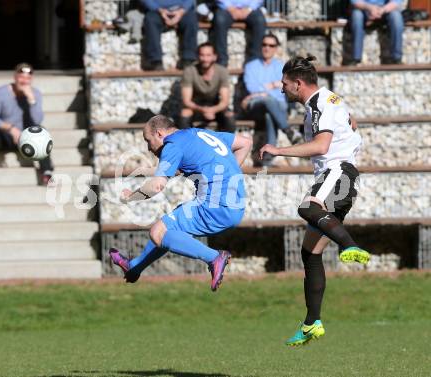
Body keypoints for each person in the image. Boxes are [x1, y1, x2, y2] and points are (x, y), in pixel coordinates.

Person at [259, 56, 371, 346]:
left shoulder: (320, 103)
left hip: (337, 174)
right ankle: (311, 323)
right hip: (341, 177)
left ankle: (350, 245)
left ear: (298, 83)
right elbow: (352, 123)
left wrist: (278, 149)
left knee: (308, 207)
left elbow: (322, 146)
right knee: (309, 253)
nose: (282, 89)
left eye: (285, 84)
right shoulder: (328, 99)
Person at [109, 115, 252, 291]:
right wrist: (227, 175)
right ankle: (134, 267)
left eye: (148, 140)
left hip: (216, 206)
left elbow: (156, 186)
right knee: (169, 227)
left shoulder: (172, 145)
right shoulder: (197, 134)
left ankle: (214, 257)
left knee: (158, 232)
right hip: (235, 205)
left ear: (159, 133)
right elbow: (245, 142)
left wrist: (132, 197)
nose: (148, 148)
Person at [242, 33, 303, 166]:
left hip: (276, 105)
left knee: (270, 113)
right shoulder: (250, 66)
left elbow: (286, 88)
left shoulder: (282, 67)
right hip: (256, 105)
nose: (267, 48)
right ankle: (288, 130)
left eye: (271, 45)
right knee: (269, 101)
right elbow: (251, 88)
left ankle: (267, 158)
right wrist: (274, 86)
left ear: (276, 48)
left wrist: (263, 91)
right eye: (264, 44)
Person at [0, 63, 54, 185]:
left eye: (27, 78)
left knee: (41, 130)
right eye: (21, 77)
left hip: (26, 140)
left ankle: (46, 172)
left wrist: (31, 100)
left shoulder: (35, 94)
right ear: (15, 77)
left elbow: (37, 120)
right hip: (5, 136)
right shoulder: (2, 92)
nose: (24, 81)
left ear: (31, 80)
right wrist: (10, 128)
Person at [180, 41, 235, 132]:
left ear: (215, 56)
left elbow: (225, 101)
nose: (205, 59)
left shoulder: (222, 71)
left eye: (208, 55)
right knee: (185, 114)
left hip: (215, 105)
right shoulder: (189, 71)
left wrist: (212, 110)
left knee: (229, 115)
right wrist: (203, 110)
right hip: (196, 106)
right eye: (202, 55)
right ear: (198, 56)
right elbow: (187, 101)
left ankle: (228, 144)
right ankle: (185, 143)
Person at [141, 0, 198, 70]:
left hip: (182, 11)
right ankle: (155, 60)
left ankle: (188, 59)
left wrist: (181, 12)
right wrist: (160, 10)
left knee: (191, 21)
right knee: (150, 21)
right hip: (157, 11)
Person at [211, 0, 266, 67]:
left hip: (250, 9)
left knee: (259, 21)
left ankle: (254, 60)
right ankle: (222, 60)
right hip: (226, 7)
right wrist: (230, 8)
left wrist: (249, 9)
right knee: (220, 20)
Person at [349, 0, 404, 65]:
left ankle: (396, 58)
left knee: (396, 17)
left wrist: (382, 10)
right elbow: (355, 1)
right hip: (364, 8)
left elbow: (396, 2)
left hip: (384, 9)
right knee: (356, 16)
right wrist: (370, 8)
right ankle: (356, 58)